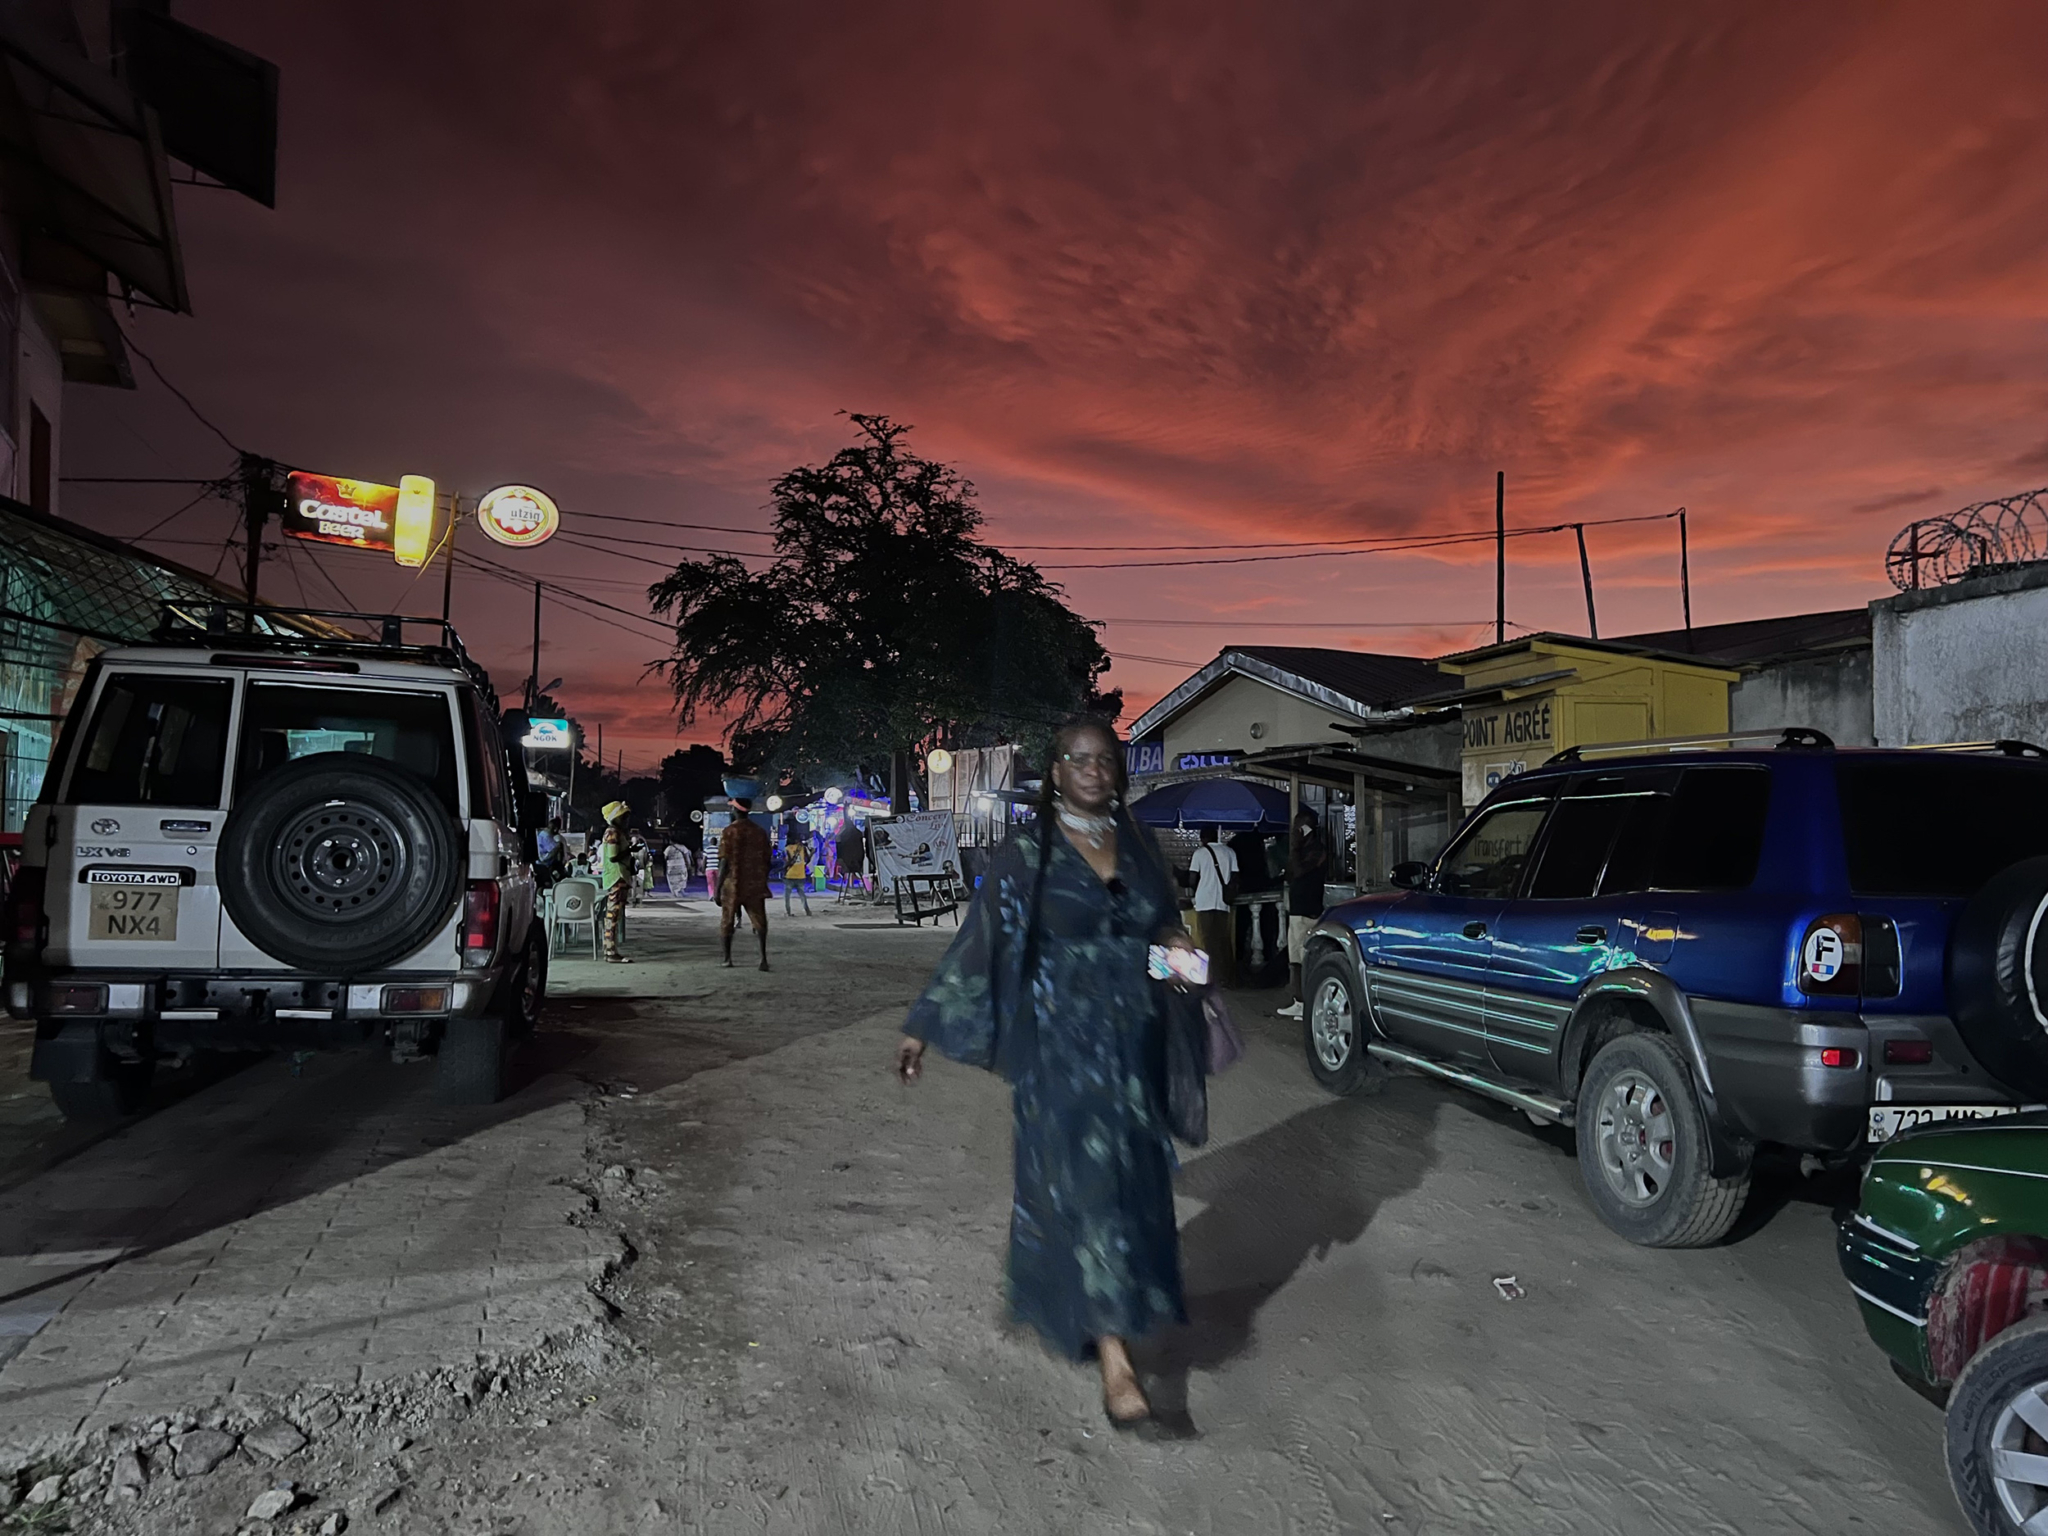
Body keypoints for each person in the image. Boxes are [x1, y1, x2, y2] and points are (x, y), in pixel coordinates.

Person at [896, 716, 1199, 1428]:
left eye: (1106, 760)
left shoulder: (1143, 847)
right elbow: (982, 942)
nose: (1095, 771)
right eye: (1079, 759)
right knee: (1088, 1186)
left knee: (1132, 1190)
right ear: (1055, 773)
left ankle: (1104, 1304)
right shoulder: (1026, 851)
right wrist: (923, 1026)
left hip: (1133, 1047)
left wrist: (1180, 956)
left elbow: (1163, 931)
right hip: (1060, 1050)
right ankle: (1118, 1366)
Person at [1277, 806, 1329, 1019]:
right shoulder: (1304, 850)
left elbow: (1298, 871)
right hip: (1298, 908)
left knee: (1304, 958)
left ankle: (1305, 1001)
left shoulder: (1316, 849)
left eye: (1297, 828)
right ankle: (1299, 1000)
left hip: (1308, 910)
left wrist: (1296, 847)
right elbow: (1290, 874)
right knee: (1295, 959)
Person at [718, 796, 773, 970]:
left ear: (735, 811)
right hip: (754, 883)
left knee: (727, 921)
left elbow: (724, 862)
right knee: (760, 921)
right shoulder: (760, 831)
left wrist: (717, 888)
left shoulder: (729, 831)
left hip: (733, 883)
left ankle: (728, 959)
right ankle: (763, 959)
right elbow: (767, 859)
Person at [1189, 823, 1238, 990]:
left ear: (1203, 838)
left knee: (1209, 941)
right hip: (1223, 902)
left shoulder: (1199, 854)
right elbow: (1235, 877)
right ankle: (1228, 977)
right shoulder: (1230, 852)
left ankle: (1214, 978)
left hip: (1204, 901)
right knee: (1224, 940)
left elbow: (1192, 879)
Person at [599, 801, 633, 963]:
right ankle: (611, 951)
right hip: (617, 877)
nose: (625, 820)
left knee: (613, 915)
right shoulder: (613, 833)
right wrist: (630, 851)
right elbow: (613, 857)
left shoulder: (613, 832)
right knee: (613, 915)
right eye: (623, 817)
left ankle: (609, 949)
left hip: (618, 876)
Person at [781, 824, 812, 917]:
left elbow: (785, 861)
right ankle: (807, 910)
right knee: (802, 894)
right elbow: (808, 858)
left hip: (789, 875)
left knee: (787, 896)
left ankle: (788, 911)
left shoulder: (787, 849)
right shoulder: (802, 848)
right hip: (800, 875)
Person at [836, 816, 868, 894]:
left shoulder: (843, 834)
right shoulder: (857, 833)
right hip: (857, 859)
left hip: (847, 859)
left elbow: (838, 845)